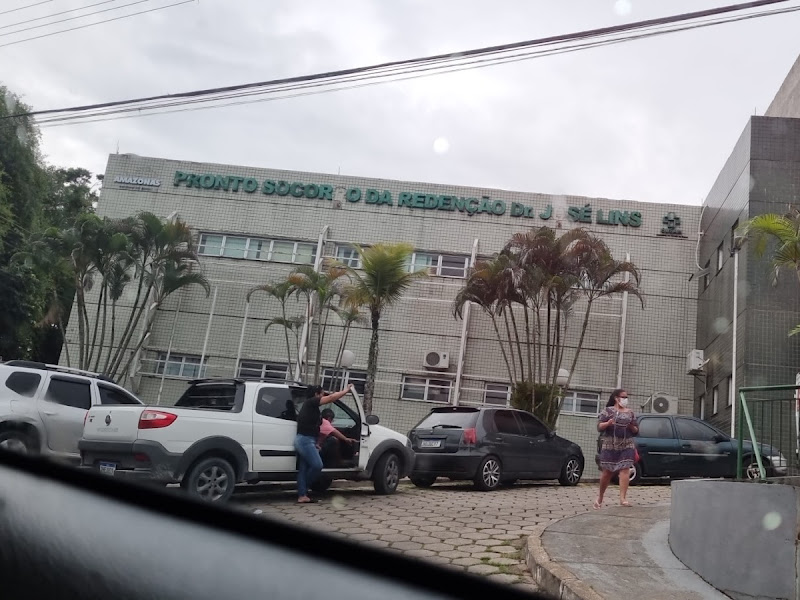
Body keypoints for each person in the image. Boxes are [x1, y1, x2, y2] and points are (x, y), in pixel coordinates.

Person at [294, 383, 353, 504]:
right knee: (317, 465)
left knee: (304, 469)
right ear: (316, 395)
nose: (324, 396)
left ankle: (302, 495)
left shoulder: (311, 408)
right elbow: (331, 398)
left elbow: (321, 429)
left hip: (307, 440)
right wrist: (346, 390)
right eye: (322, 394)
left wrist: (317, 442)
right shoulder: (311, 402)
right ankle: (303, 489)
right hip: (305, 440)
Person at [595, 388, 639, 509]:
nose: (625, 399)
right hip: (610, 444)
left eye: (626, 397)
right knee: (607, 472)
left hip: (626, 444)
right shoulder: (608, 411)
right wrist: (608, 423)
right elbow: (599, 427)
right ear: (616, 398)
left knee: (625, 469)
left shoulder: (630, 413)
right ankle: (600, 497)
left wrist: (631, 426)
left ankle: (623, 498)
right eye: (623, 397)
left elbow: (636, 430)